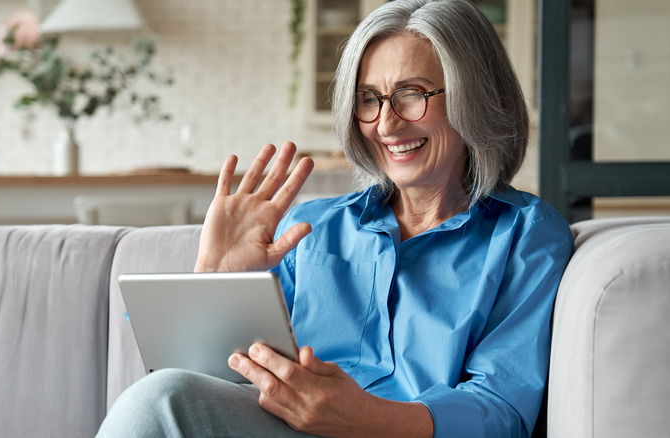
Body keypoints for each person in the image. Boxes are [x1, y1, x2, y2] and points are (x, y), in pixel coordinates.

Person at [97, 0, 574, 436]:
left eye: (411, 94)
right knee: (163, 397)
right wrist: (213, 281)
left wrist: (365, 417)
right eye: (370, 99)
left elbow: (504, 412)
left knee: (162, 400)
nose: (386, 124)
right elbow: (211, 384)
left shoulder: (525, 235)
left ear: (475, 97)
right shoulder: (310, 228)